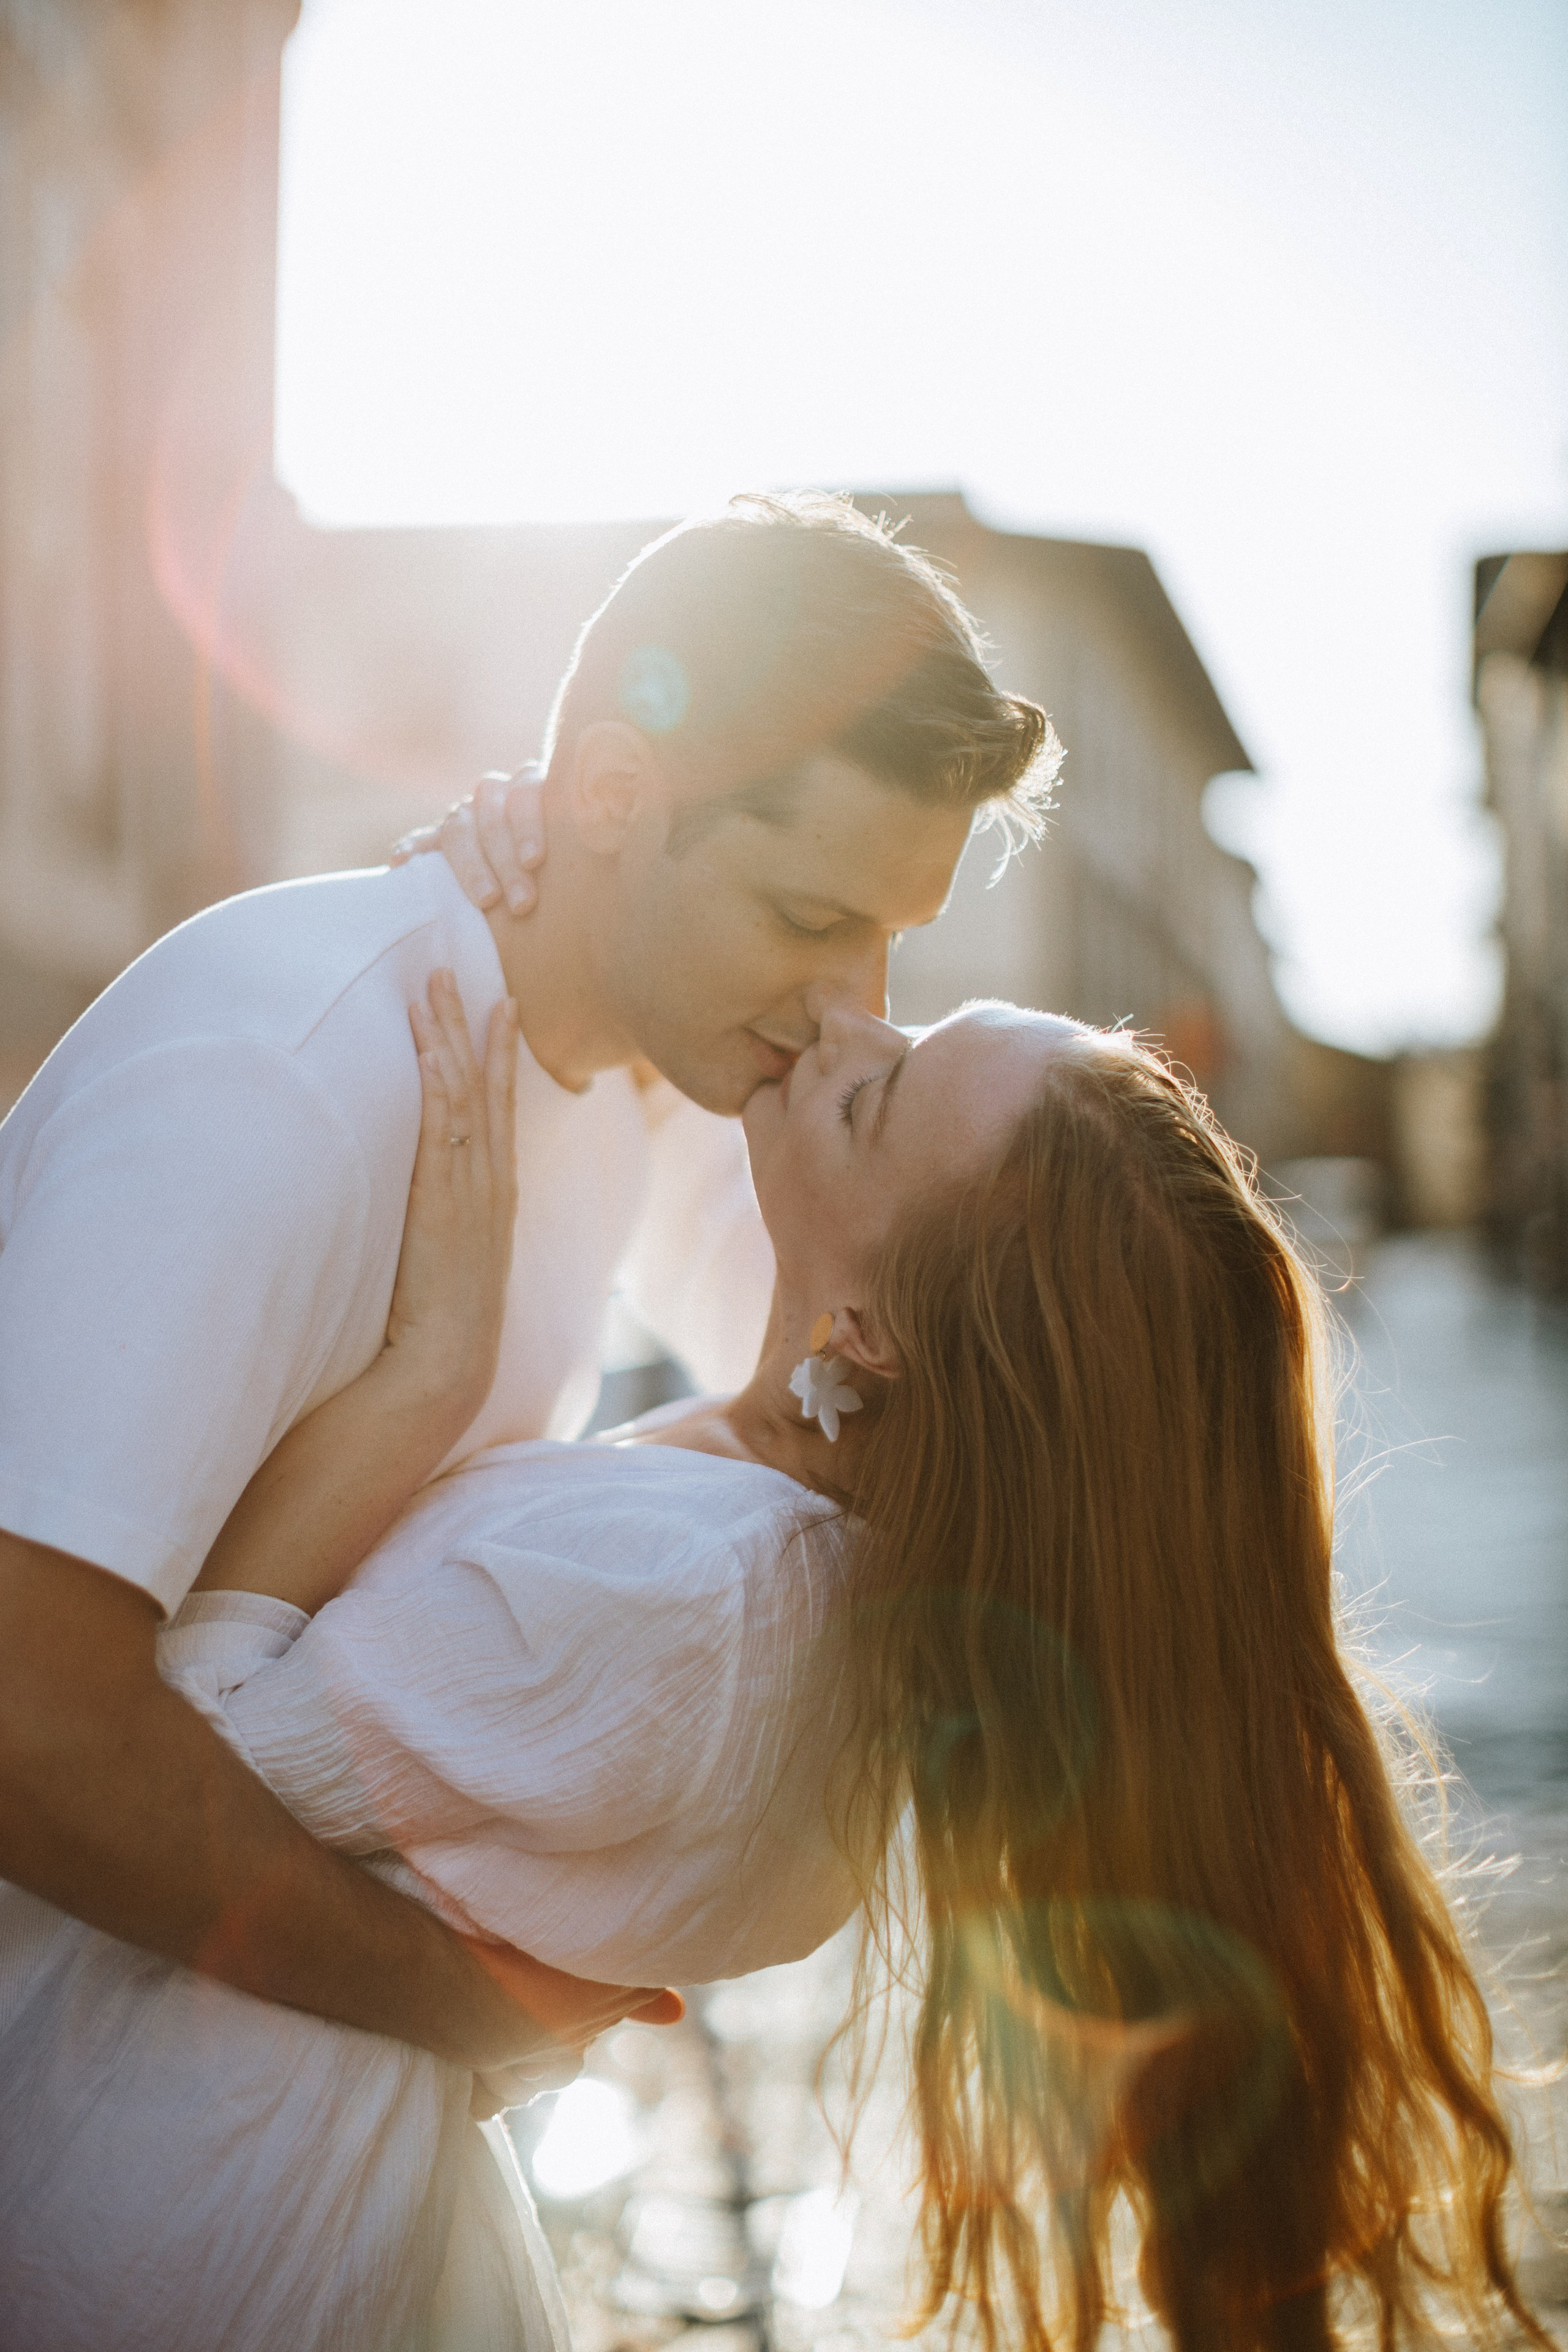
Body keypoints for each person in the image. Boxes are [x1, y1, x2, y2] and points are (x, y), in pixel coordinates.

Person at [0, 973, 1548, 2352]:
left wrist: (426, 1375)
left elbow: (158, 1755)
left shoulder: (701, 1603)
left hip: (171, 2214)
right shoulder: (800, 1526)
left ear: (869, 1337)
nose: (837, 1023)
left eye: (875, 1094)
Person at [0, 493, 1055, 2079]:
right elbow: (29, 1719)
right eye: (810, 920)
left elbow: (879, 1388)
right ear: (621, 791)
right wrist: (468, 2009)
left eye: (891, 941)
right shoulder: (273, 1079)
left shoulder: (636, 1084)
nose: (853, 1012)